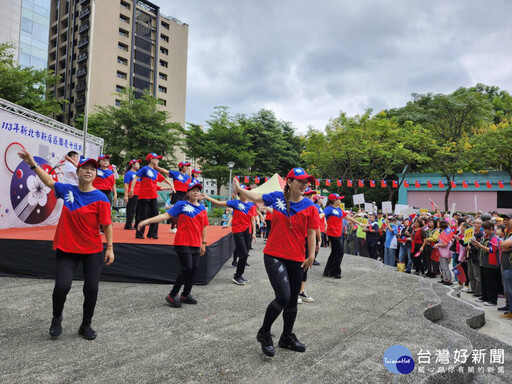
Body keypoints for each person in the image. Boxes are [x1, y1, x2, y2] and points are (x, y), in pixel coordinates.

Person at [18, 149, 114, 340]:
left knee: (91, 289)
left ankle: (85, 325)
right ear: (77, 172)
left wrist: (110, 248)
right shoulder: (68, 190)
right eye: (84, 168)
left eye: (92, 169)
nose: (88, 171)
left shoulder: (101, 198)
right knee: (62, 286)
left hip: (92, 250)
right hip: (67, 248)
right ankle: (56, 318)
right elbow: (48, 181)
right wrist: (32, 163)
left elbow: (107, 225)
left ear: (95, 174)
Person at [232, 168, 319, 357]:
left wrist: (311, 255)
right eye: (300, 181)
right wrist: (239, 189)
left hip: (297, 258)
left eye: (307, 182)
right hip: (274, 254)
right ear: (289, 182)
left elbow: (311, 232)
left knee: (293, 301)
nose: (305, 185)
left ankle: (286, 337)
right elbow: (256, 197)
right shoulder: (277, 198)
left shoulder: (310, 207)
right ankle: (264, 332)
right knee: (283, 296)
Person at [138, 180, 208, 308]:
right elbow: (166, 216)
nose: (196, 192)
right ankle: (172, 294)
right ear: (187, 193)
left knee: (194, 269)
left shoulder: (202, 207)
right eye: (193, 190)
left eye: (198, 191)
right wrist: (146, 221)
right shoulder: (181, 204)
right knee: (187, 268)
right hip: (183, 241)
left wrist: (203, 243)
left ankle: (185, 295)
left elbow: (204, 226)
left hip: (196, 243)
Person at [202, 185, 257, 285]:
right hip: (238, 231)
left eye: (247, 191)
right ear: (239, 194)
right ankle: (237, 276)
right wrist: (207, 197)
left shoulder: (251, 205)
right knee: (244, 254)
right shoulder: (235, 203)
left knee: (245, 254)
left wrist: (254, 233)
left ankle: (240, 275)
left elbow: (252, 219)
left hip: (247, 231)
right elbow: (220, 202)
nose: (246, 193)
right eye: (244, 191)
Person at [129, 153, 174, 239]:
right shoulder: (145, 169)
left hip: (153, 196)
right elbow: (135, 178)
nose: (158, 161)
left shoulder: (156, 172)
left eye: (158, 159)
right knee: (142, 215)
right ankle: (139, 233)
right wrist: (131, 189)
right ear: (151, 159)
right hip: (144, 195)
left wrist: (171, 185)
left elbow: (164, 179)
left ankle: (152, 233)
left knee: (155, 214)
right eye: (156, 159)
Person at [323, 193, 359, 278]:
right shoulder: (328, 209)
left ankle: (327, 271)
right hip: (332, 233)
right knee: (340, 252)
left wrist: (359, 223)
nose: (340, 200)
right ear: (334, 200)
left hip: (338, 233)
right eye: (339, 199)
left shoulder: (339, 210)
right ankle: (335, 272)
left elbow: (348, 217)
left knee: (334, 252)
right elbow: (322, 215)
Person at [156, 161, 191, 233]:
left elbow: (189, 185)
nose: (187, 167)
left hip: (185, 195)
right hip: (177, 193)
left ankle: (178, 227)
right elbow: (165, 171)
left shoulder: (187, 177)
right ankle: (172, 227)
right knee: (176, 211)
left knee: (183, 211)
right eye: (186, 166)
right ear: (181, 167)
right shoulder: (176, 174)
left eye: (188, 166)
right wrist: (156, 166)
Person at [473, 221, 500, 306]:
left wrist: (480, 246)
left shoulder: (494, 238)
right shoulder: (484, 237)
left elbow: (491, 250)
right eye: (484, 229)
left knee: (491, 282)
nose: (484, 231)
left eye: (486, 229)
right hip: (483, 262)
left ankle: (492, 300)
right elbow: (480, 248)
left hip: (491, 264)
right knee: (484, 281)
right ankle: (484, 296)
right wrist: (476, 245)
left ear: (491, 229)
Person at [123, 159, 141, 230]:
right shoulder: (129, 174)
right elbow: (126, 185)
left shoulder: (138, 174)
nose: (138, 165)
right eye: (137, 164)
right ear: (132, 165)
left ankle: (137, 224)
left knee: (138, 210)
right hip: (132, 194)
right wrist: (126, 195)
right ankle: (128, 224)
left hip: (139, 194)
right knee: (131, 209)